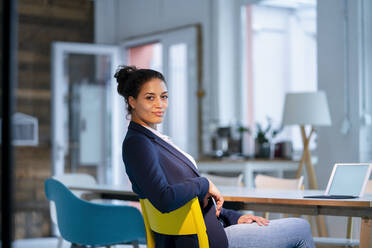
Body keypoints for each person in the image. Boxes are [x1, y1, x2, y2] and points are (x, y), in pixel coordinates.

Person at [115, 65, 315, 248]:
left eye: (164, 96)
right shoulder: (139, 143)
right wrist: (204, 183)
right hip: (203, 240)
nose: (160, 104)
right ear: (132, 101)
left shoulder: (150, 139)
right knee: (300, 228)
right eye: (150, 97)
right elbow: (165, 199)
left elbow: (193, 203)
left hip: (205, 231)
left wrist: (234, 217)